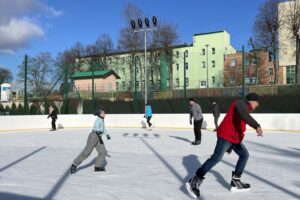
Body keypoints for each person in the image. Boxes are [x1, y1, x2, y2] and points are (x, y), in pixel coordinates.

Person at [185, 93, 263, 198]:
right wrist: (257, 126)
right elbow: (244, 115)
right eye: (257, 103)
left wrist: (233, 144)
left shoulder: (245, 108)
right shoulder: (240, 104)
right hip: (226, 136)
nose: (257, 105)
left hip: (233, 139)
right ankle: (194, 180)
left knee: (244, 155)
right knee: (216, 158)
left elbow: (238, 125)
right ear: (252, 101)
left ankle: (236, 181)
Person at [70, 109, 111, 174]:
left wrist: (107, 134)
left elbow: (103, 128)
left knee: (103, 152)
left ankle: (98, 166)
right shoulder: (97, 120)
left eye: (104, 112)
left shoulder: (102, 120)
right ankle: (74, 164)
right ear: (99, 114)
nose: (104, 114)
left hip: (98, 137)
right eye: (102, 113)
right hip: (94, 136)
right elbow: (97, 128)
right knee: (87, 152)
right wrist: (100, 131)